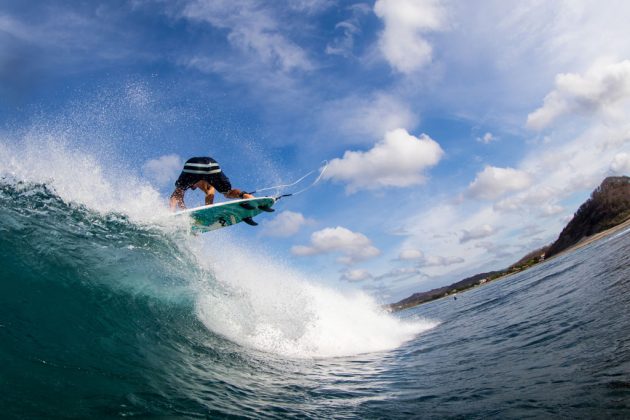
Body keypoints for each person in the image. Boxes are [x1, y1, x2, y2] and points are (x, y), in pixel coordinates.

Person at [169, 156, 253, 210]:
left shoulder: (200, 182)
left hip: (192, 164)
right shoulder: (208, 181)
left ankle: (170, 213)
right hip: (212, 164)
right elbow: (180, 199)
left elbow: (177, 196)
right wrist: (185, 213)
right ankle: (247, 196)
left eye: (191, 186)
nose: (192, 188)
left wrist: (208, 211)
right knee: (228, 192)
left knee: (177, 193)